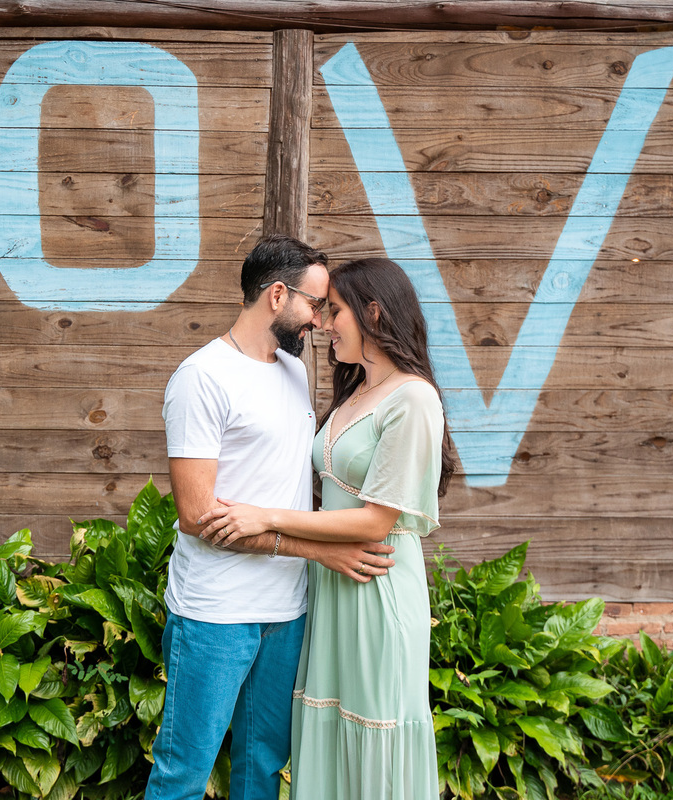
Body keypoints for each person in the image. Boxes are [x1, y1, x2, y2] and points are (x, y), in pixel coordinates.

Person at [145, 236, 399, 800]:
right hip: (217, 614)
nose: (321, 320)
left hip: (287, 612)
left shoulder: (292, 371)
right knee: (183, 772)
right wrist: (315, 549)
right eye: (315, 305)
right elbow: (196, 515)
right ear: (277, 295)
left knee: (260, 770)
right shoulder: (201, 377)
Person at [199, 257, 457, 800]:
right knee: (327, 730)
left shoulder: (414, 398)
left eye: (333, 311)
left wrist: (263, 517)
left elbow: (375, 519)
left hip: (376, 586)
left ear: (373, 312)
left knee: (372, 734)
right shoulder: (354, 392)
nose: (322, 324)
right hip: (331, 585)